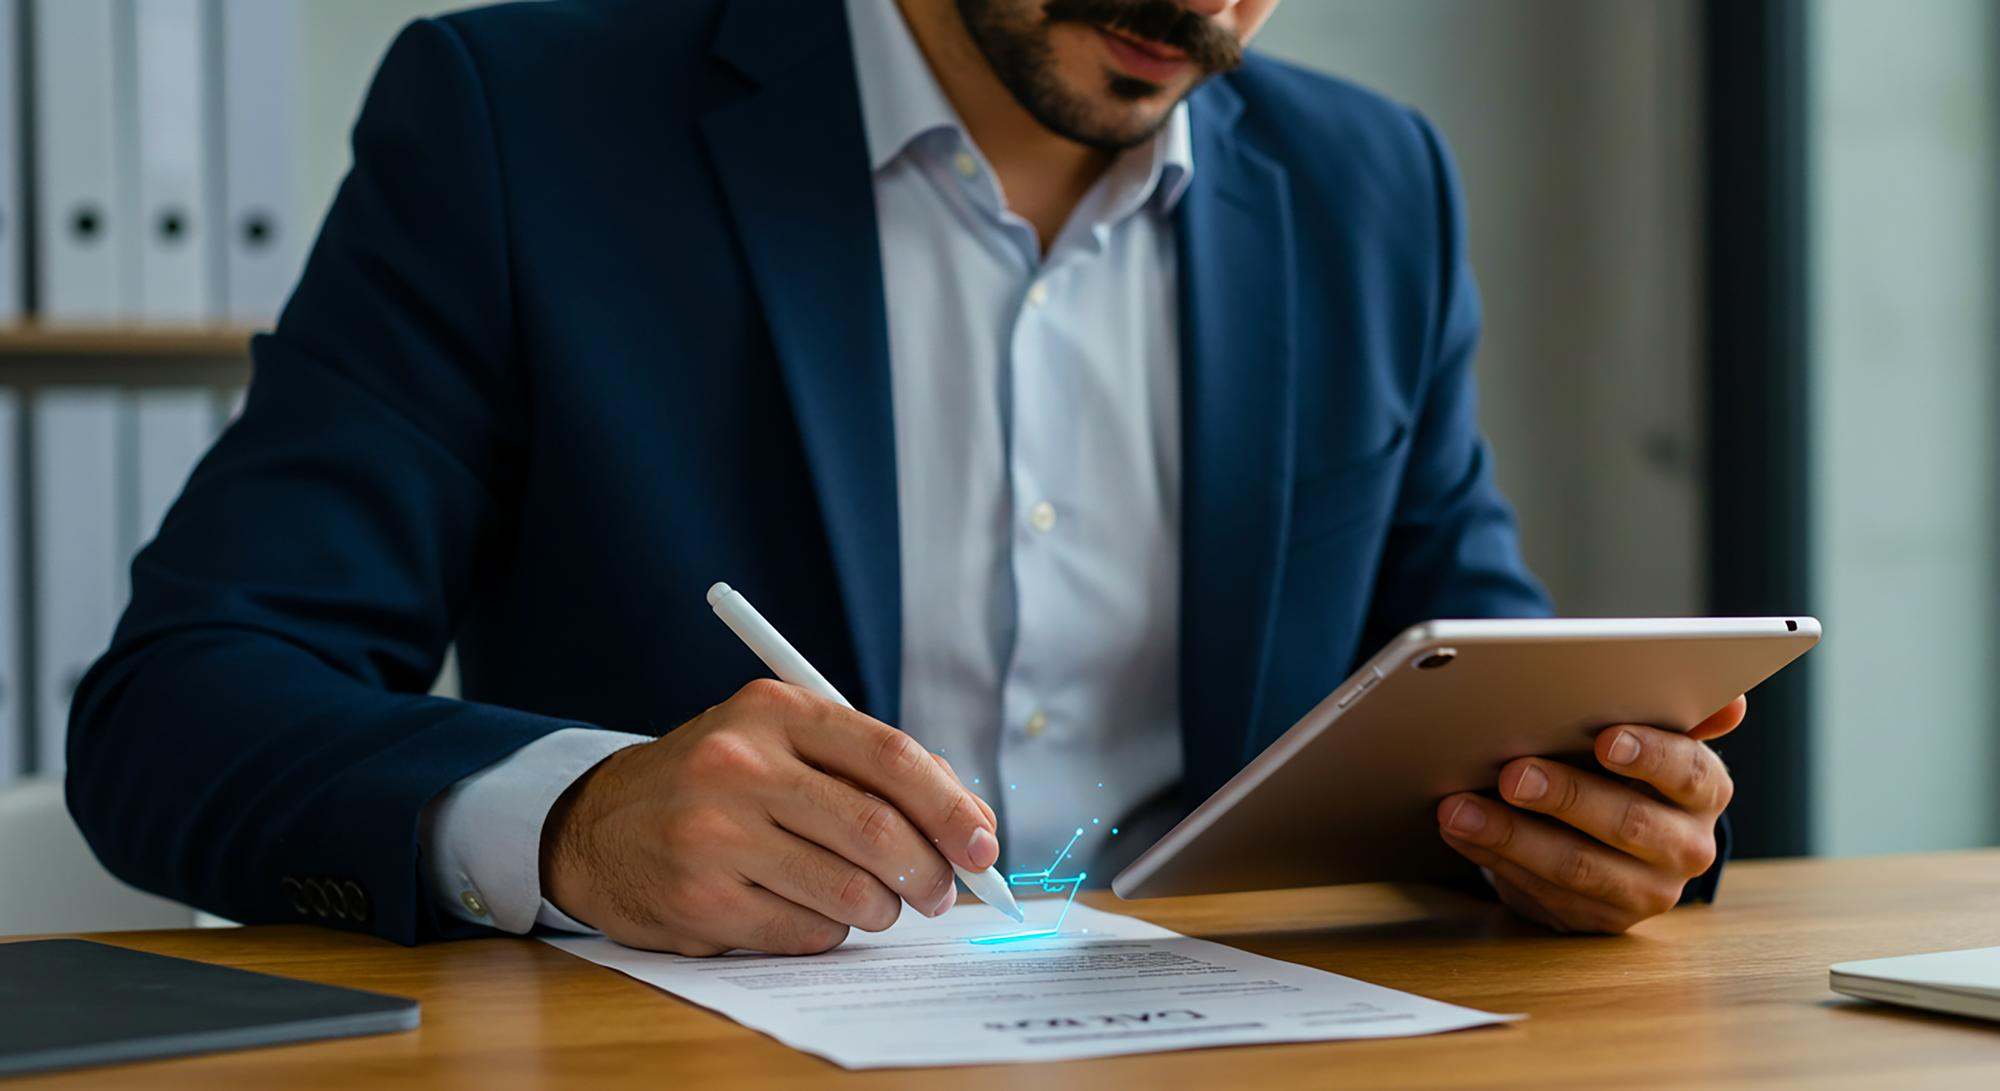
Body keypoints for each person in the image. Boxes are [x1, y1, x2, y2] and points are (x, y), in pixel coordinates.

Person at [67, 0, 1742, 956]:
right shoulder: (522, 124)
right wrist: (576, 821)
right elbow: (180, 710)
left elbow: (1473, 689)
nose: (1202, 7)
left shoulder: (1372, 184)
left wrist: (1587, 815)